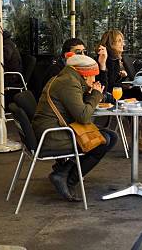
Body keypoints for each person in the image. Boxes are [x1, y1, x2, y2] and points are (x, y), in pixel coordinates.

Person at [32, 53, 117, 202]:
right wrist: (96, 94)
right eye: (93, 76)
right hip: (52, 136)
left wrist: (91, 94)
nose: (94, 80)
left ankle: (64, 171)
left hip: (55, 129)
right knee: (104, 140)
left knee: (110, 136)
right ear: (84, 75)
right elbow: (83, 116)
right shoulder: (68, 83)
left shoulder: (67, 79)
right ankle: (69, 180)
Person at [40, 38, 108, 93]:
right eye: (78, 52)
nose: (83, 55)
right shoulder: (56, 70)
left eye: (85, 52)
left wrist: (102, 64)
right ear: (67, 55)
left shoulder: (81, 68)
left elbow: (101, 89)